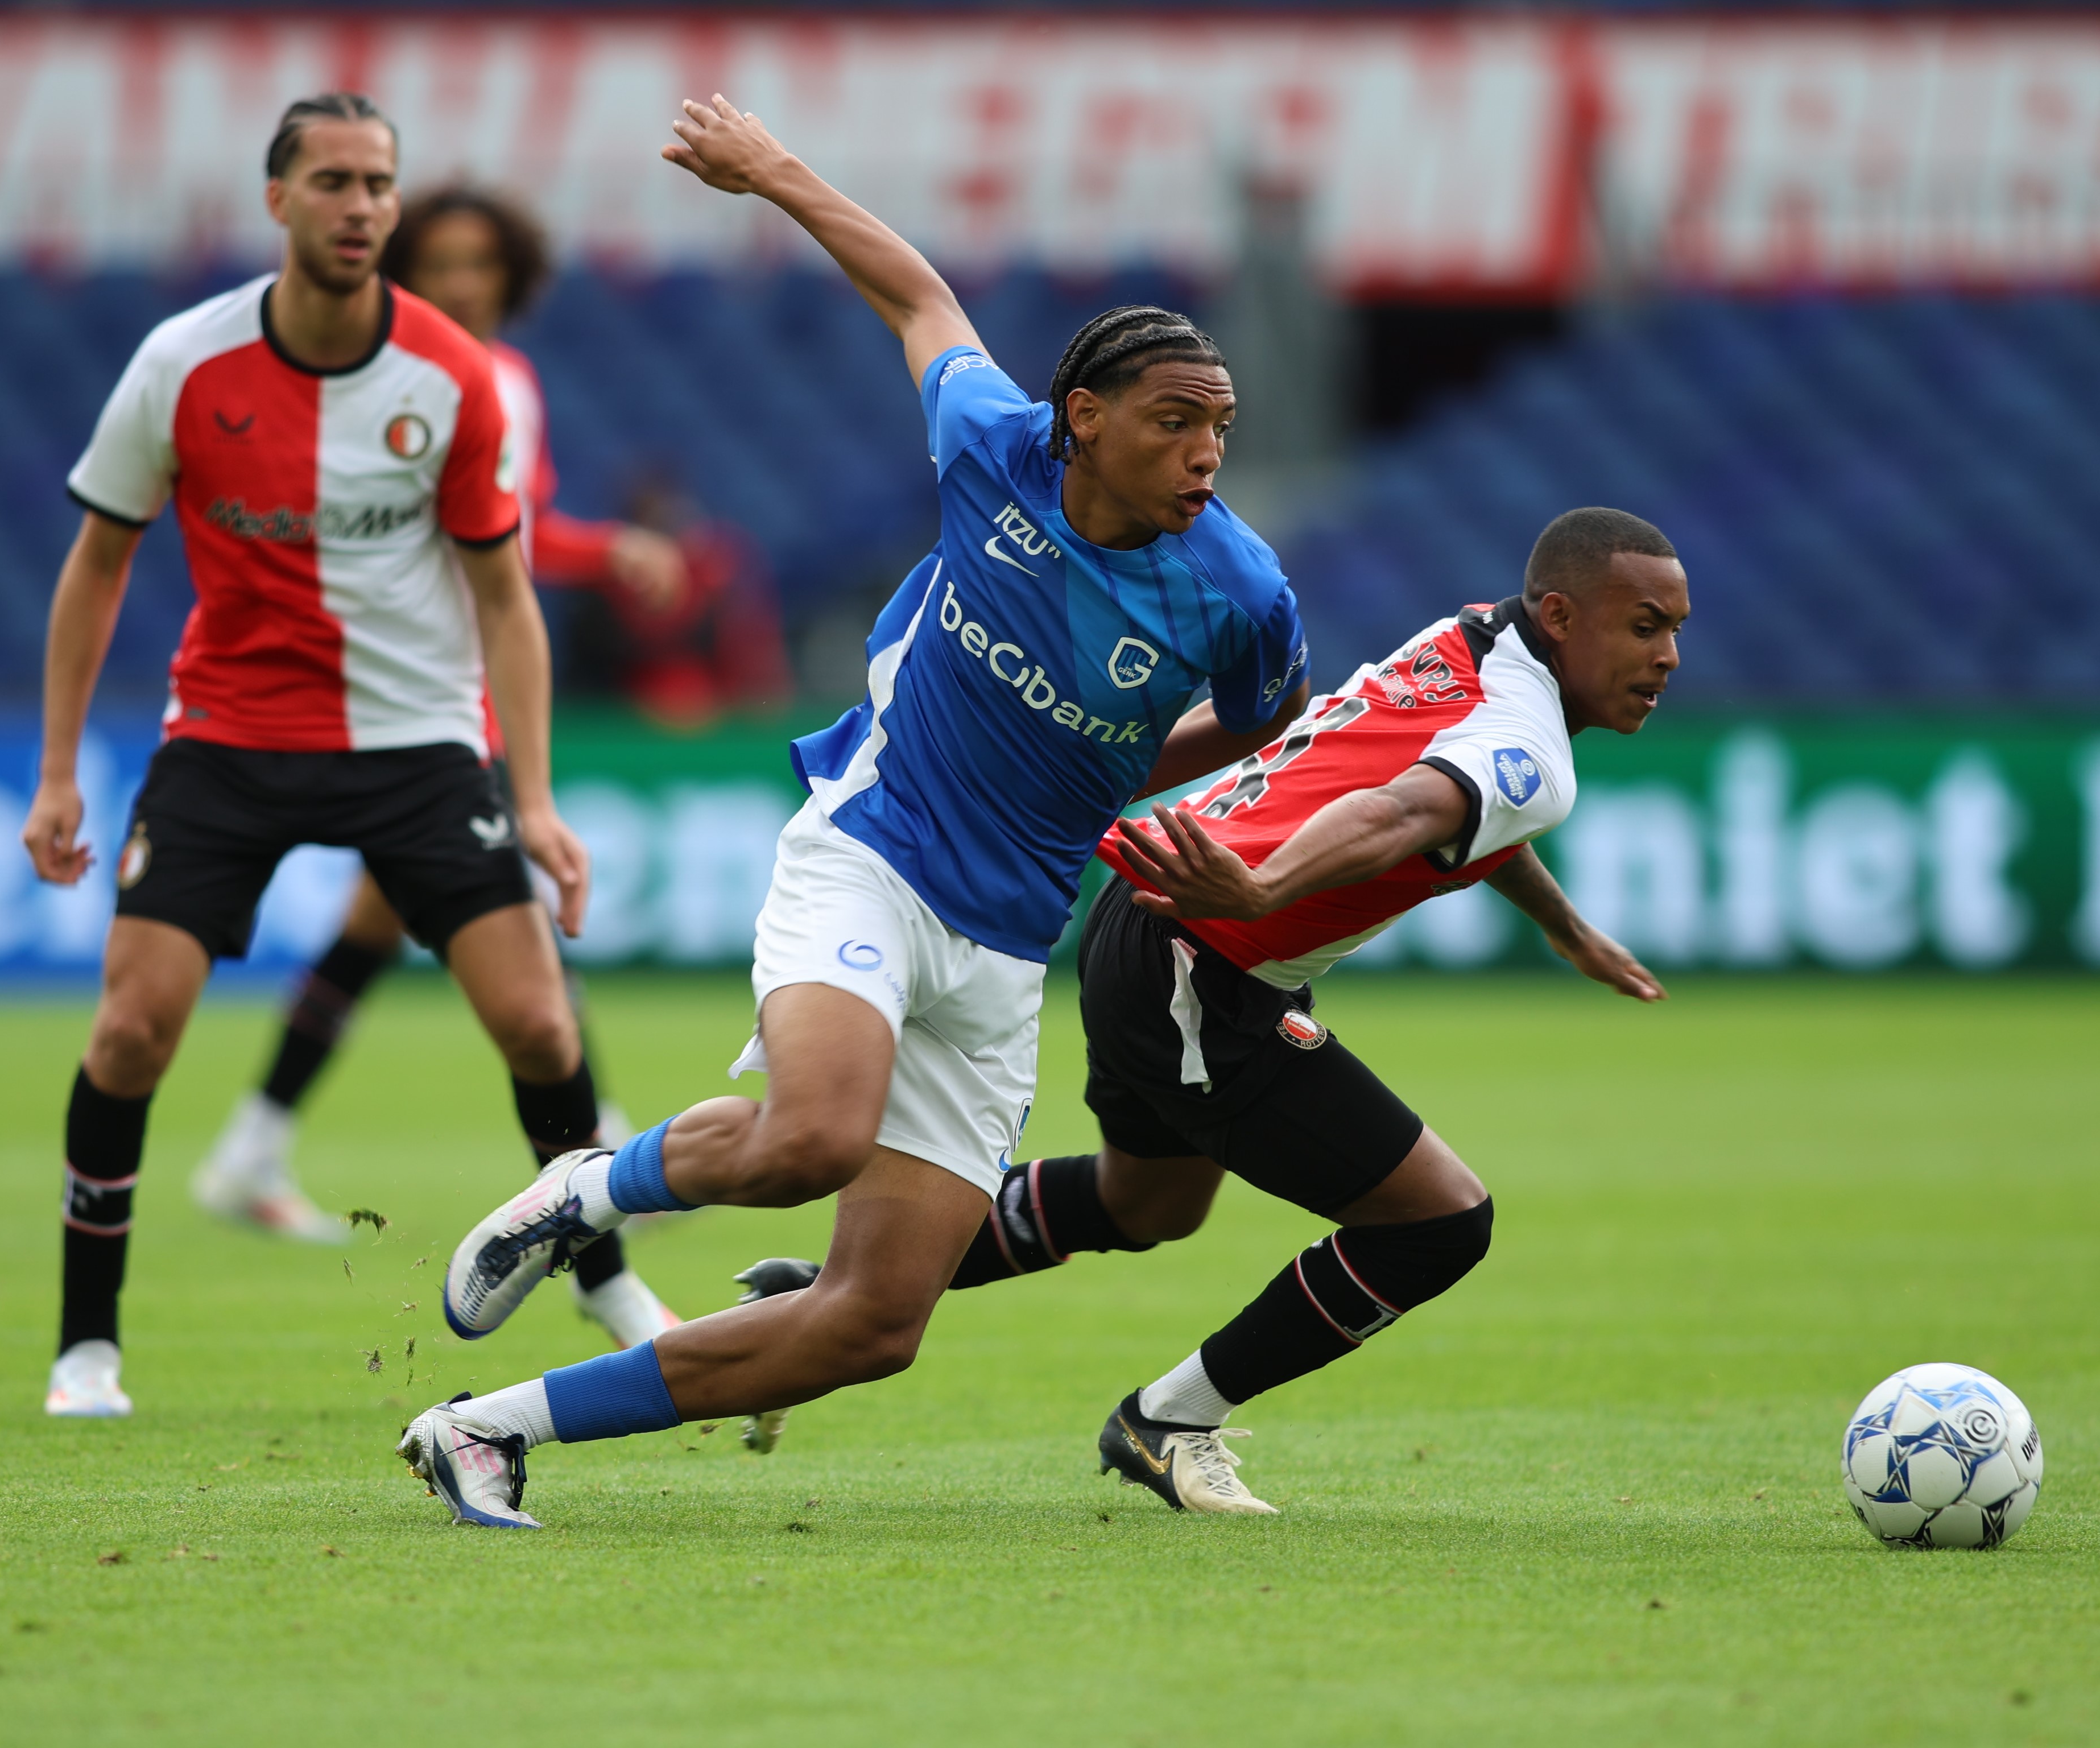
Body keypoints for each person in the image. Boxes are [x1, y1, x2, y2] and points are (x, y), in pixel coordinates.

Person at [394, 94, 1312, 1528]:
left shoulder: (1241, 587)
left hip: (1007, 944)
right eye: (1175, 421)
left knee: (872, 1325)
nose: (1206, 451)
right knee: (810, 1135)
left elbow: (1264, 716)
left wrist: (1121, 771)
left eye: (1222, 427)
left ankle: (483, 1430)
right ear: (1083, 420)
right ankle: (590, 1189)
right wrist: (769, 176)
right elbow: (915, 291)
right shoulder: (995, 446)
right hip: (868, 855)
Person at [23, 93, 630, 1418]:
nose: (362, 206)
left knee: (536, 1019)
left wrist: (531, 795)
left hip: (413, 741)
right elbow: (99, 562)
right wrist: (60, 771)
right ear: (278, 200)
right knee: (130, 1031)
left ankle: (606, 1278)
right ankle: (86, 1347)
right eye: (335, 181)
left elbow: (508, 594)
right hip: (229, 739)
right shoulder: (183, 362)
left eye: (380, 184)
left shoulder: (455, 376)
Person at [912, 506, 1685, 1512]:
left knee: (1147, 1202)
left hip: (1150, 911)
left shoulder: (1470, 638)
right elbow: (1402, 811)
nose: (1667, 655)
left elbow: (1464, 809)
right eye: (1643, 626)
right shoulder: (1530, 743)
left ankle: (854, 1285)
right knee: (1442, 1221)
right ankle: (1168, 1417)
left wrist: (1566, 928)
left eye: (1674, 628)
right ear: (1560, 614)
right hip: (1208, 954)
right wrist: (1266, 888)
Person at [185, 182, 684, 1352]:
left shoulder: (495, 377)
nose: (462, 285)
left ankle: (253, 1145)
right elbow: (512, 541)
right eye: (442, 264)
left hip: (441, 685)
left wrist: (592, 547)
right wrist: (613, 548)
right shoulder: (422, 375)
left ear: (511, 278)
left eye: (481, 267)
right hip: (415, 702)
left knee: (379, 922)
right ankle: (594, 1175)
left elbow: (502, 538)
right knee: (510, 941)